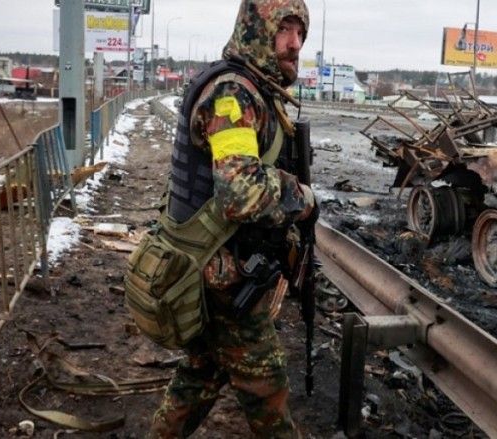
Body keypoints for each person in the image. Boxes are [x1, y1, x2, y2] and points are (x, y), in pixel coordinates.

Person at [147, 1, 313, 437]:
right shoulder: (234, 94)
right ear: (257, 29)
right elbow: (240, 192)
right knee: (266, 390)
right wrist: (304, 197)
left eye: (300, 32)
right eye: (285, 30)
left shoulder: (253, 88)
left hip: (213, 265)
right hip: (220, 274)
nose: (294, 43)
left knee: (200, 375)